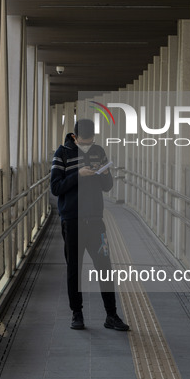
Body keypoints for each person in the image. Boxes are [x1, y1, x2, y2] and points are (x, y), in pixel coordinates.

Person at [50, 119, 129, 331]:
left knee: (105, 268)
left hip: (95, 220)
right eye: (84, 141)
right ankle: (77, 314)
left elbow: (107, 186)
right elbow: (56, 188)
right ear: (75, 137)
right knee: (74, 270)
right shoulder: (62, 153)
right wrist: (78, 175)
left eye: (91, 141)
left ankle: (111, 315)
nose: (88, 144)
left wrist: (104, 175)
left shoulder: (98, 151)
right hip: (72, 220)